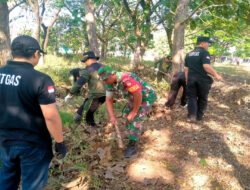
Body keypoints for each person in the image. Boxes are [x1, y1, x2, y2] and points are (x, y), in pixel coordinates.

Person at [0, 35, 67, 190]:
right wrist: (59, 141)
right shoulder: (41, 79)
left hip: (4, 141)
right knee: (33, 185)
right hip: (33, 144)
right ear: (36, 53)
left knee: (7, 178)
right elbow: (50, 116)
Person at [98, 66, 157, 158]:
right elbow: (109, 100)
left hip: (146, 97)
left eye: (105, 79)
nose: (104, 82)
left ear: (112, 75)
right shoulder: (110, 83)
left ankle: (132, 145)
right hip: (134, 98)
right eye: (103, 80)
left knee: (135, 118)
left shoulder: (126, 79)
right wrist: (112, 116)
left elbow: (138, 94)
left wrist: (134, 112)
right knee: (126, 114)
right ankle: (132, 132)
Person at [184, 36, 223, 121]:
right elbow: (206, 66)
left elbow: (186, 69)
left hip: (191, 79)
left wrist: (187, 80)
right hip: (202, 79)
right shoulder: (204, 52)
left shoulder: (189, 54)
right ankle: (199, 116)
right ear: (202, 43)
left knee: (192, 97)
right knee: (202, 97)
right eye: (208, 43)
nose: (209, 45)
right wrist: (217, 75)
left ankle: (191, 116)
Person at [64, 51, 106, 127]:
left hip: (95, 96)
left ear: (89, 59)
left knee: (86, 116)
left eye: (85, 61)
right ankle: (88, 128)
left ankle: (91, 132)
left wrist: (70, 94)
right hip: (105, 96)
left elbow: (80, 81)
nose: (85, 63)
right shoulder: (104, 67)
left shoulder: (88, 69)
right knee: (87, 113)